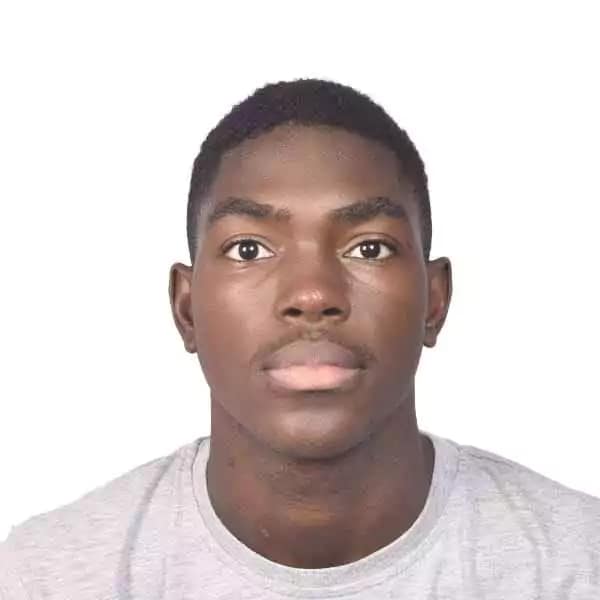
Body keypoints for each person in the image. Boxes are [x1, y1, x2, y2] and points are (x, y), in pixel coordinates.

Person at [1, 78, 598, 599]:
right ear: (187, 308)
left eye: (369, 248)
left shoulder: (577, 567)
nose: (312, 294)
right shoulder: (44, 579)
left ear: (434, 301)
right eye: (249, 249)